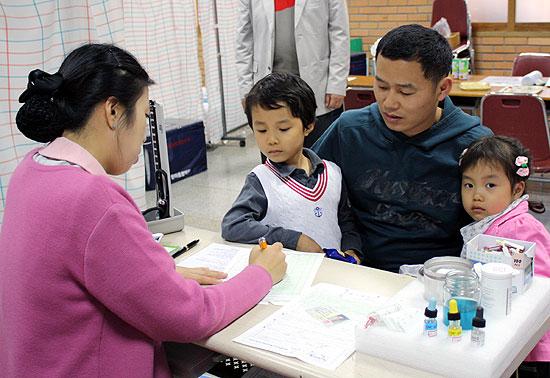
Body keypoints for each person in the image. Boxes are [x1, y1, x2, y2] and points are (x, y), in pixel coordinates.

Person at [0, 44, 287, 377]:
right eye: (145, 115)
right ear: (112, 112)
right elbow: (192, 317)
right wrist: (262, 274)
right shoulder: (94, 198)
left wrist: (156, 279)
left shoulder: (31, 170)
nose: (145, 133)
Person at [312, 24, 493, 273]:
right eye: (382, 87)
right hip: (360, 269)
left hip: (439, 276)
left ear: (442, 89)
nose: (389, 102)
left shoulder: (474, 145)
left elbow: (498, 227)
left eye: (405, 92)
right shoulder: (350, 130)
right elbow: (302, 186)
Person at [222, 72, 361, 262]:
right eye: (261, 130)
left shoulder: (333, 172)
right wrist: (294, 239)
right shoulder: (261, 179)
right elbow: (233, 225)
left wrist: (353, 251)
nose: (271, 139)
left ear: (308, 126)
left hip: (335, 273)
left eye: (284, 129)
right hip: (292, 277)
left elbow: (346, 221)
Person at [459, 136, 549, 376]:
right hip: (508, 327)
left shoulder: (519, 227)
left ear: (517, 189)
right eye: (469, 185)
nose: (476, 195)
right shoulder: (491, 223)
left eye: (490, 186)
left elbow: (541, 285)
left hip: (534, 345)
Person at [235, 0, 350, 147]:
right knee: (274, 158)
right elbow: (243, 42)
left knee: (319, 156)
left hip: (317, 86)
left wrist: (337, 84)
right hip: (268, 90)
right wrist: (246, 90)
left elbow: (340, 34)